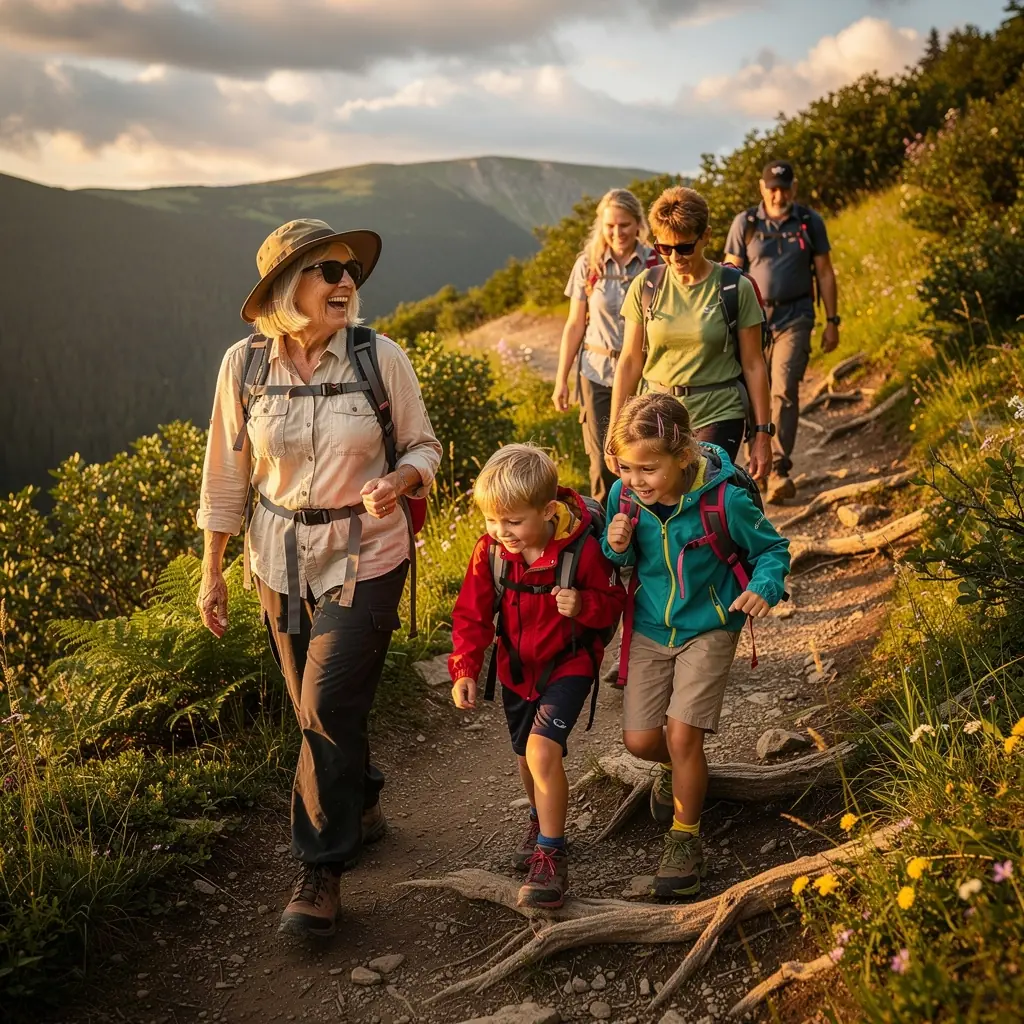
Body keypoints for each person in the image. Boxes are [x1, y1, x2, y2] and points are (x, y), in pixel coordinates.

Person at [196, 218, 442, 938]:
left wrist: (400, 478)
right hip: (276, 558)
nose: (345, 283)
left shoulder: (378, 356)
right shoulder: (243, 368)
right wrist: (212, 570)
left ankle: (320, 871)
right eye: (326, 271)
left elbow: (425, 445)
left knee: (325, 704)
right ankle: (361, 799)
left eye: (349, 272)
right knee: (318, 703)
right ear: (282, 289)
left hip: (367, 551)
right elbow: (226, 471)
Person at [602, 393, 789, 900]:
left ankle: (685, 841)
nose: (636, 480)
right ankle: (679, 772)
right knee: (641, 742)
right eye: (626, 467)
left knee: (683, 736)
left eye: (648, 468)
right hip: (649, 629)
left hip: (711, 624)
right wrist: (614, 542)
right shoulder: (622, 497)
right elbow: (611, 556)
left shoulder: (724, 499)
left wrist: (764, 587)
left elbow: (772, 548)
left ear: (683, 455)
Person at [448, 444, 624, 909]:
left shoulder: (581, 550)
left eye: (513, 522)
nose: (501, 532)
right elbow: (471, 614)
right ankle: (539, 817)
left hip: (569, 663)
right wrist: (466, 666)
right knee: (526, 758)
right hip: (516, 668)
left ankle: (551, 855)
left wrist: (583, 605)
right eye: (491, 521)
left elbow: (613, 602)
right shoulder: (491, 552)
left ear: (548, 512)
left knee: (542, 751)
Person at [606, 185, 773, 483]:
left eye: (684, 247)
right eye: (664, 249)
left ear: (705, 236)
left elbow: (754, 364)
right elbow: (630, 362)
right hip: (654, 412)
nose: (675, 258)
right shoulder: (646, 287)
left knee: (700, 490)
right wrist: (614, 432)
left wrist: (762, 434)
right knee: (658, 495)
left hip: (718, 411)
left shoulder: (735, 288)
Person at [723, 160, 840, 503]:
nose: (779, 194)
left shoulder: (808, 221)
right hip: (752, 321)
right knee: (750, 390)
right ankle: (752, 466)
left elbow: (826, 272)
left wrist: (832, 321)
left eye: (785, 187)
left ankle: (780, 469)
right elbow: (731, 273)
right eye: (772, 188)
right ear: (762, 188)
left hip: (796, 315)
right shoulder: (745, 223)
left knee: (785, 387)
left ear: (795, 187)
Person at [553, 189, 657, 505]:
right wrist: (561, 379)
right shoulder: (589, 265)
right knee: (603, 460)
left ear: (638, 224)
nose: (617, 233)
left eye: (624, 225)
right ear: (601, 226)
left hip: (642, 375)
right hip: (595, 373)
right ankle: (605, 536)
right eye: (610, 226)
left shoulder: (655, 264)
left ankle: (646, 528)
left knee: (645, 455)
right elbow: (575, 324)